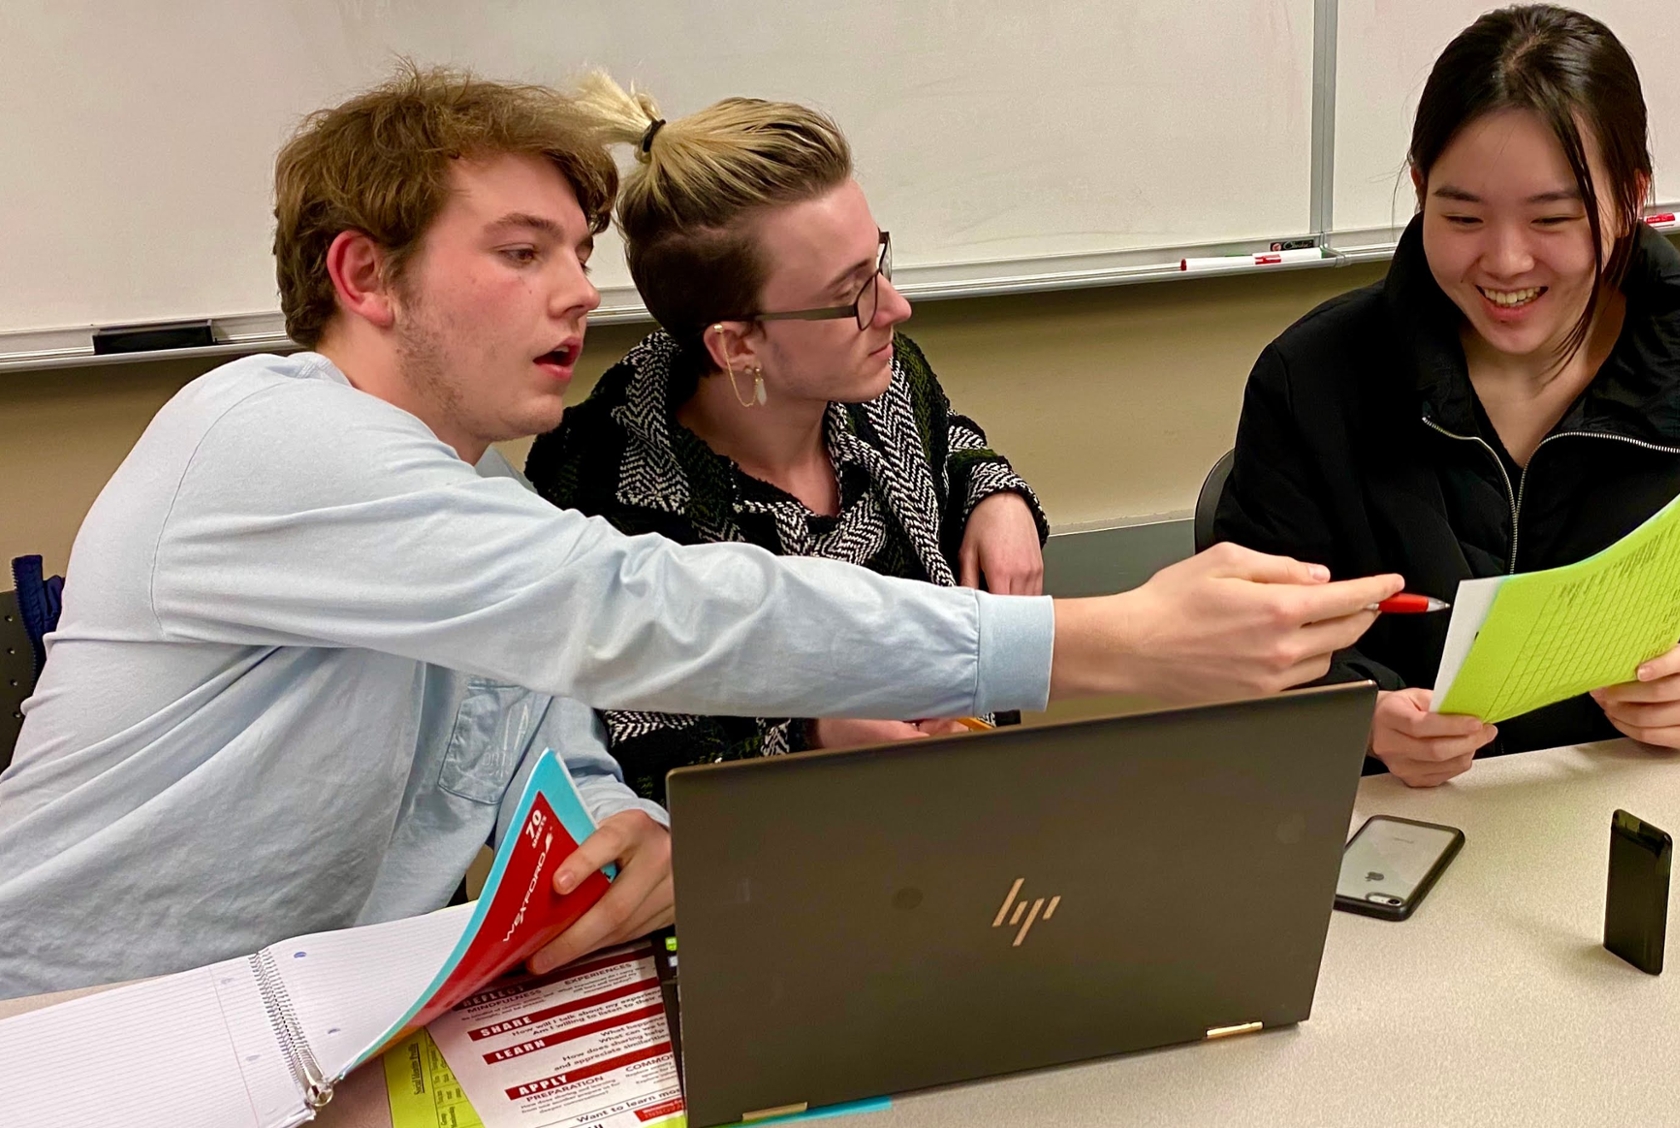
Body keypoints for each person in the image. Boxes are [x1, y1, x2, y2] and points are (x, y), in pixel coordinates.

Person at [0, 67, 1404, 998]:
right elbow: (643, 610)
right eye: (518, 250)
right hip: (81, 1033)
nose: (572, 296)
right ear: (363, 275)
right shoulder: (259, 432)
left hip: (326, 1019)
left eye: (577, 254)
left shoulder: (486, 505)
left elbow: (546, 721)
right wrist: (1093, 643)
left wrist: (616, 823)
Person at [1215, 5, 1680, 789]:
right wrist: (1362, 717)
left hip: (1623, 794)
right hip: (1393, 817)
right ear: (1421, 188)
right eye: (1461, 216)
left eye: (1553, 219)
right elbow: (1250, 642)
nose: (1504, 262)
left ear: (1631, 197)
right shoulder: (1314, 378)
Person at [524, 77, 1047, 801]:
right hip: (765, 875)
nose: (895, 306)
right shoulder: (606, 484)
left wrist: (996, 494)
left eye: (880, 262)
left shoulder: (882, 380)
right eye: (850, 293)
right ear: (738, 345)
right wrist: (810, 737)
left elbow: (948, 441)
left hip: (967, 820)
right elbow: (633, 758)